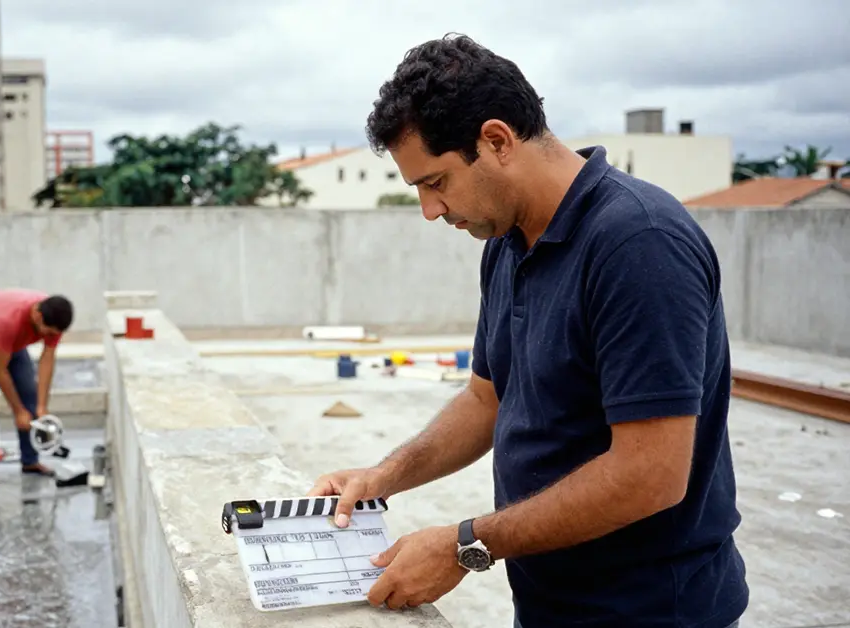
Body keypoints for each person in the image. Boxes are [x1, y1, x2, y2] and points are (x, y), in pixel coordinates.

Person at [307, 34, 748, 627]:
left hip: (651, 611)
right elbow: (487, 401)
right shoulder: (507, 241)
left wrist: (467, 545)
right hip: (550, 603)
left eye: (435, 183)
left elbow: (651, 476)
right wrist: (382, 477)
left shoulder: (639, 244)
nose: (430, 211)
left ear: (496, 141)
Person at [0, 289, 73, 490]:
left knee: (29, 395)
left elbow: (47, 360)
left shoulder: (54, 317)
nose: (48, 337)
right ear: (37, 316)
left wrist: (41, 407)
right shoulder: (9, 321)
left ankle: (30, 461)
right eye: (47, 332)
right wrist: (17, 411)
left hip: (13, 341)